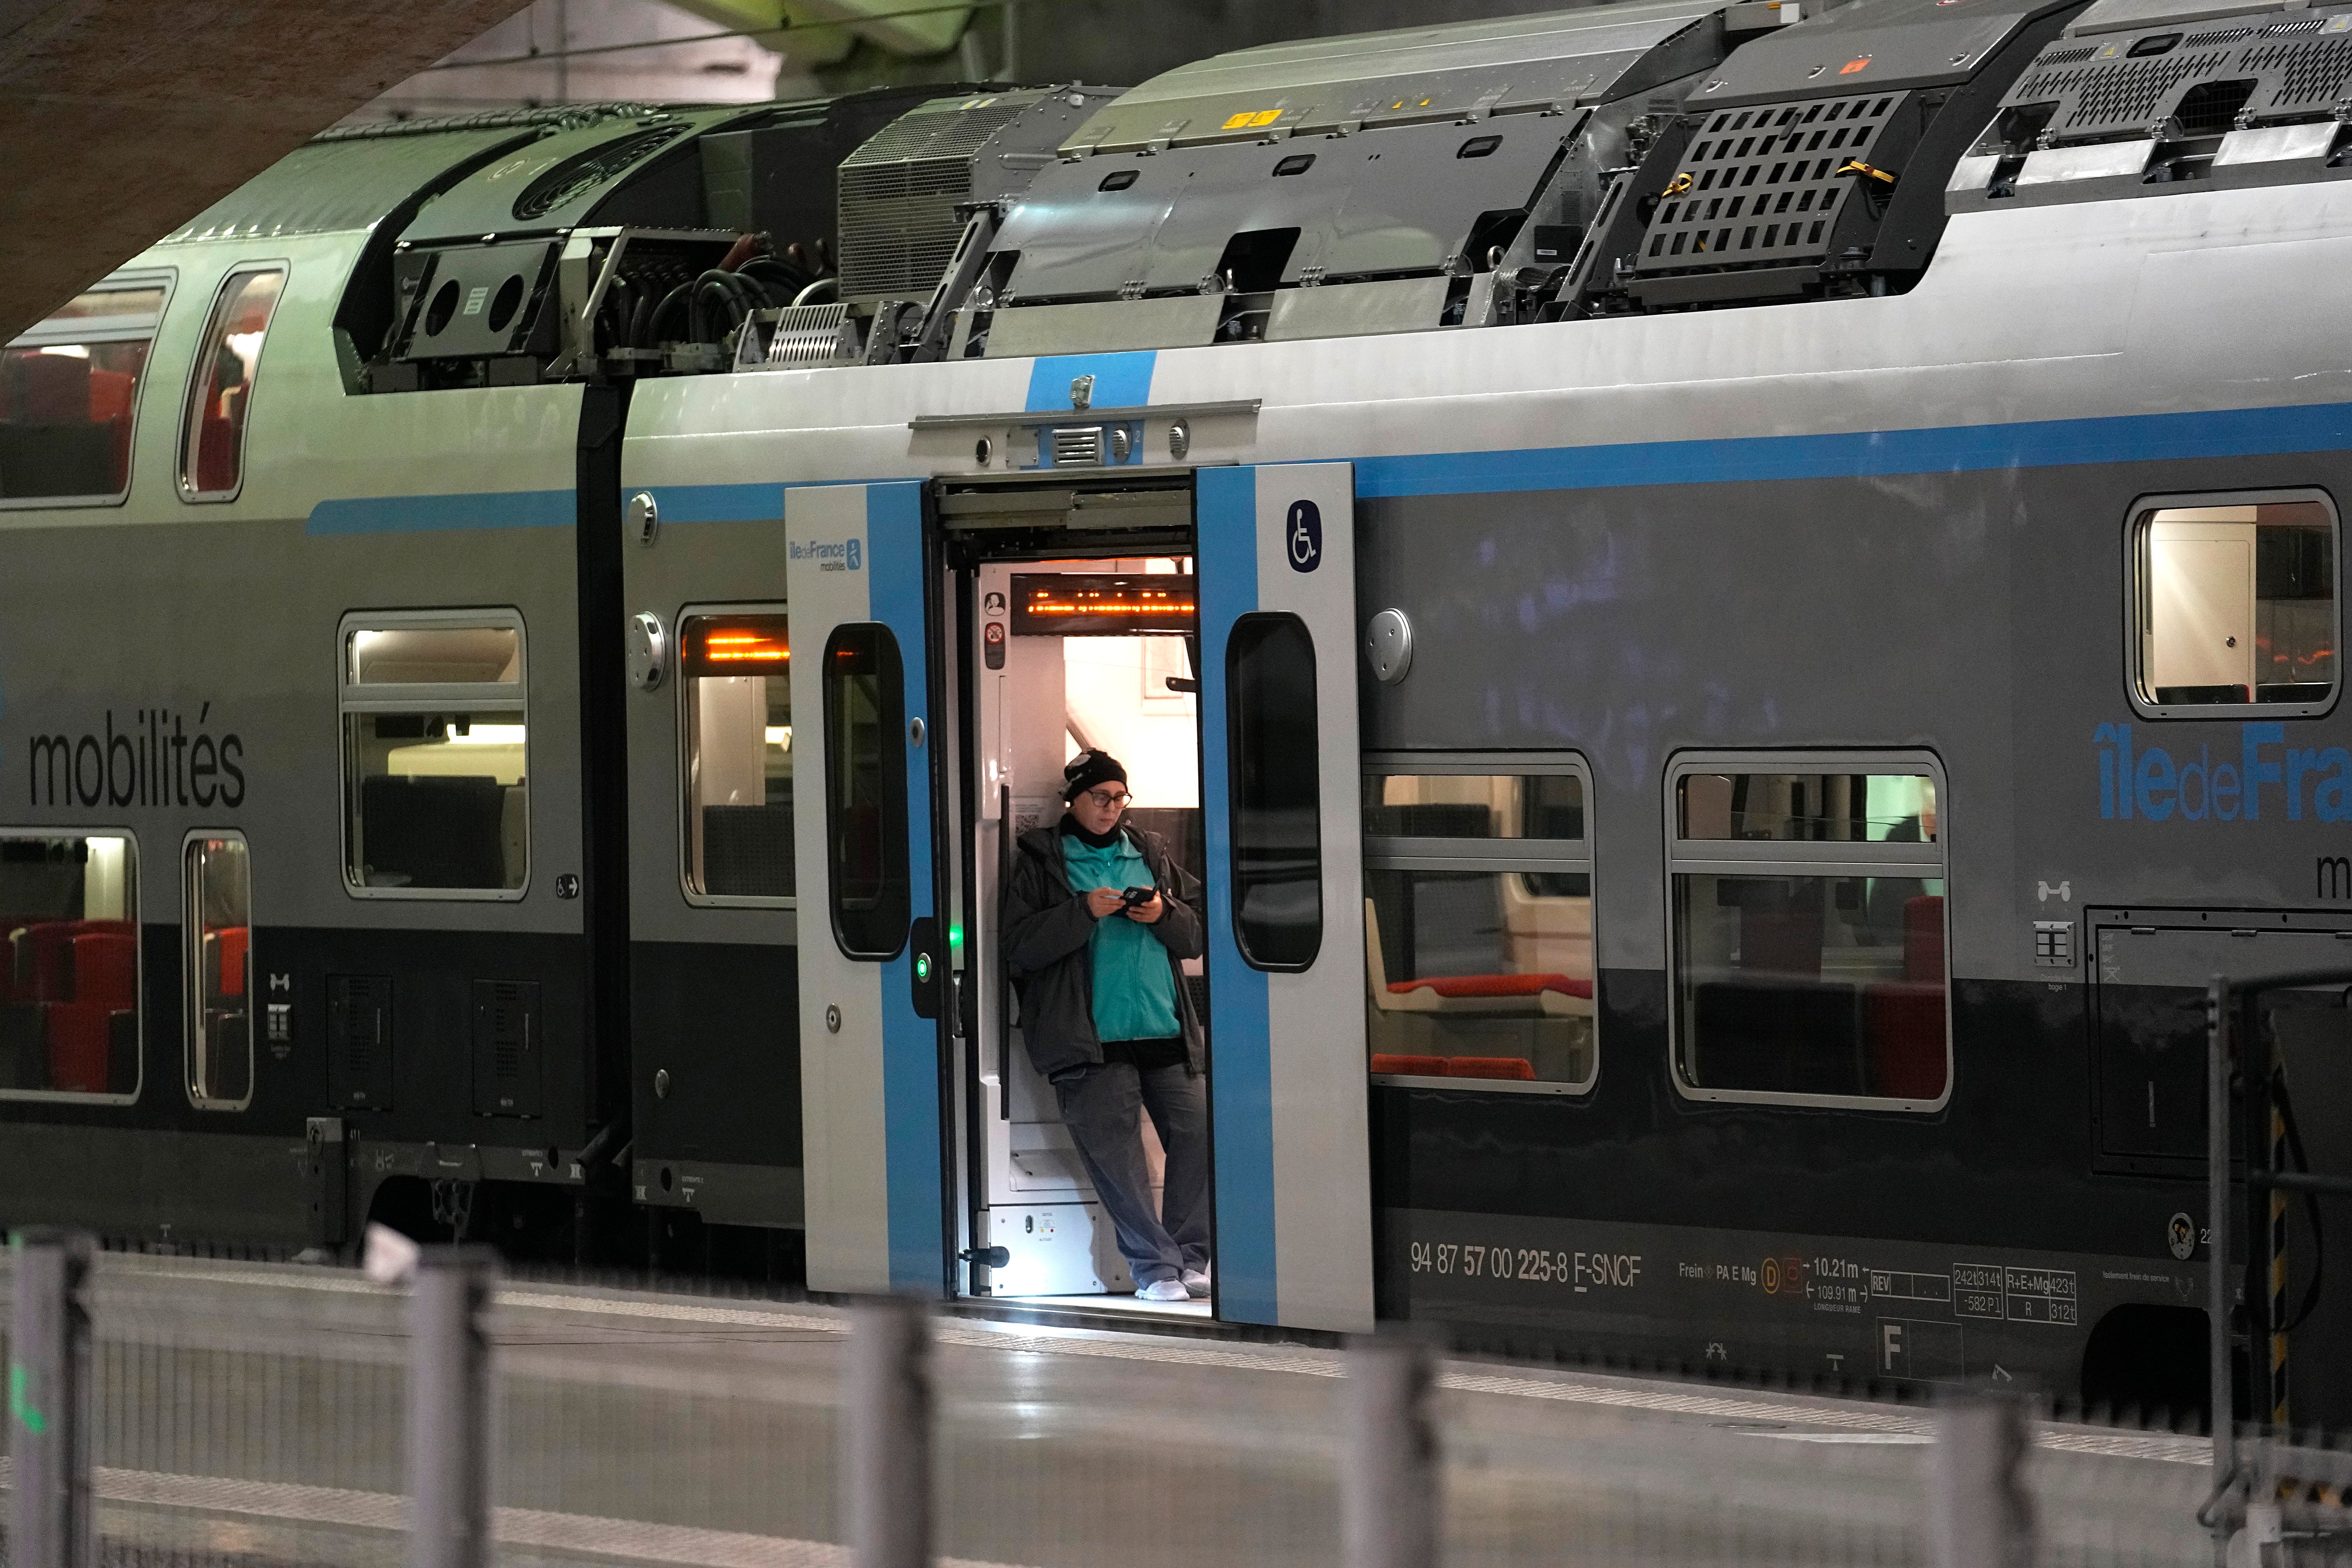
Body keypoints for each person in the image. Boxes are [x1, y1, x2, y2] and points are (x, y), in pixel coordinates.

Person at [1002, 750, 1210, 1303]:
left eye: (1120, 798)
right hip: (1092, 1041)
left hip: (1162, 1029)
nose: (1112, 809)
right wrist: (1082, 912)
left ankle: (1191, 1258)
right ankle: (1154, 1269)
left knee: (1199, 1134)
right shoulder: (1043, 863)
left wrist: (1165, 914)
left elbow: (1197, 935)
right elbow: (1018, 947)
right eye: (1101, 797)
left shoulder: (1150, 854)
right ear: (1073, 799)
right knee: (1121, 1161)